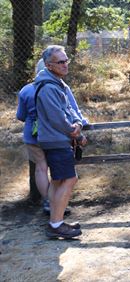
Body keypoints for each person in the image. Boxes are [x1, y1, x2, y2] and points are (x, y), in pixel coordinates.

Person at [17, 59, 88, 215]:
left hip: (33, 135)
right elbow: (71, 109)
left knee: (41, 169)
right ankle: (56, 208)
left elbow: (20, 115)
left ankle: (49, 202)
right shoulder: (59, 87)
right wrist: (81, 124)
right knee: (58, 174)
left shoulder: (25, 90)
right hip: (55, 134)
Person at [34, 45, 86, 239]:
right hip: (56, 140)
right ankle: (56, 224)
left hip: (56, 139)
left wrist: (79, 122)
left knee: (57, 181)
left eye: (66, 61)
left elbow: (70, 111)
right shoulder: (48, 87)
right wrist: (77, 134)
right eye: (60, 62)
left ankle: (55, 221)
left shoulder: (56, 84)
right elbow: (58, 119)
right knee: (70, 179)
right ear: (48, 65)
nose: (65, 65)